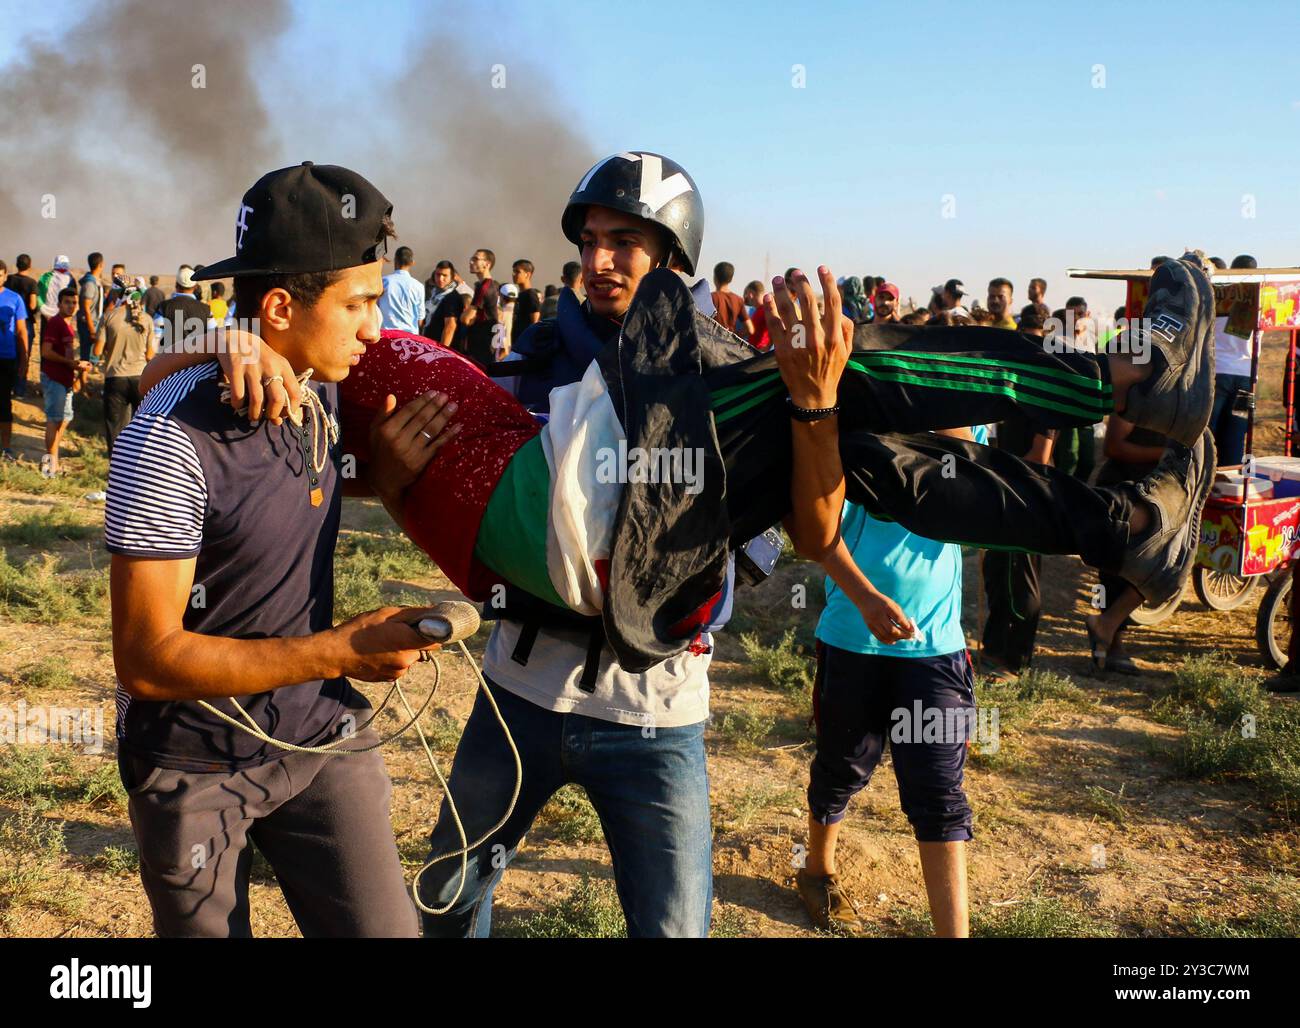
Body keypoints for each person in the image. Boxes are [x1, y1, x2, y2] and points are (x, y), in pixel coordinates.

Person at [108, 161, 459, 939]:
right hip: (195, 764)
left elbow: (279, 487)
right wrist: (339, 650)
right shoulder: (170, 441)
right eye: (360, 302)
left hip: (320, 736)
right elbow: (145, 658)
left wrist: (382, 478)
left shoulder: (316, 381)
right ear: (277, 306)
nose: (378, 326)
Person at [798, 419, 989, 936]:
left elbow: (973, 481)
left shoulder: (964, 427)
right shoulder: (844, 426)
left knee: (939, 792)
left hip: (936, 648)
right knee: (841, 766)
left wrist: (937, 403)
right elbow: (814, 530)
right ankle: (816, 870)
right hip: (848, 635)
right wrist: (864, 598)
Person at [94, 280, 156, 455]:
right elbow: (150, 355)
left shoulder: (109, 316)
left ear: (120, 295)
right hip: (140, 379)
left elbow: (97, 350)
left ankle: (116, 468)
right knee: (141, 428)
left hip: (115, 378)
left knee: (115, 428)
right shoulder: (147, 319)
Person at [1209, 254, 1257, 465]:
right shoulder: (1260, 301)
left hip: (1218, 375)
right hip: (1246, 379)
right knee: (1236, 433)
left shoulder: (1215, 299)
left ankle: (1206, 479)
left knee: (1209, 432)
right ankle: (1230, 482)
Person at [40, 287, 90, 477]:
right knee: (54, 421)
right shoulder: (56, 322)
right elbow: (46, 352)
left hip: (65, 378)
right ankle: (49, 467)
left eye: (74, 302)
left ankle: (55, 461)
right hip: (54, 378)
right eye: (67, 302)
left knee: (65, 418)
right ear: (59, 304)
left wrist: (77, 367)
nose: (71, 306)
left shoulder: (68, 324)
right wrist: (71, 363)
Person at [0, 264, 29, 459]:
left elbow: (21, 331)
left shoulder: (14, 298)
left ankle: (6, 448)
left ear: (5, 276)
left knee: (3, 404)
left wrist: (25, 359)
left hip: (6, 358)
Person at [155, 266, 212, 350]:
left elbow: (156, 334)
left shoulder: (163, 307)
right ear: (195, 287)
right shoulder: (206, 309)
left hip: (169, 358)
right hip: (196, 360)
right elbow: (213, 334)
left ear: (176, 284)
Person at [5, 254, 38, 396]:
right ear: (29, 265)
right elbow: (32, 305)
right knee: (24, 355)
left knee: (10, 354)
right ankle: (20, 389)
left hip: (9, 322)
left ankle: (8, 386)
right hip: (25, 323)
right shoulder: (31, 283)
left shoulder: (9, 279)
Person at [460, 248, 499, 366]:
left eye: (476, 259)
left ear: (487, 264)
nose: (471, 262)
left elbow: (465, 319)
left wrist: (465, 314)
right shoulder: (489, 285)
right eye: (472, 259)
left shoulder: (484, 287)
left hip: (483, 344)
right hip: (486, 342)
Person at [378, 245, 425, 334]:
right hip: (410, 337)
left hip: (387, 335)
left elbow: (375, 307)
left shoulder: (383, 281)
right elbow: (420, 319)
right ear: (412, 263)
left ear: (395, 260)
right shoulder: (419, 286)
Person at [420, 260, 465, 349]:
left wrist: (442, 351)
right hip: (429, 344)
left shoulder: (452, 297)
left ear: (452, 277)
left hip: (440, 349)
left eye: (445, 275)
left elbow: (450, 326)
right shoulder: (434, 293)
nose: (440, 278)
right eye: (438, 274)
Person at [78, 251, 107, 366]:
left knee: (91, 358)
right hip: (89, 324)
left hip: (94, 323)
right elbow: (86, 306)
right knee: (86, 358)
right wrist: (91, 329)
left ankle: (82, 382)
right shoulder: (90, 284)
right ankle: (80, 384)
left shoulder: (95, 281)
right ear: (101, 264)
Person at [711, 261, 750, 337]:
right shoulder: (738, 300)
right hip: (729, 346)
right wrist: (733, 337)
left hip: (713, 342)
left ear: (715, 277)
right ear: (731, 279)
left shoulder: (711, 297)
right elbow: (750, 329)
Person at [510, 259, 542, 348]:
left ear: (527, 274)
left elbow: (534, 322)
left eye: (517, 272)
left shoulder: (530, 295)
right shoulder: (520, 295)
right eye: (513, 271)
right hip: (516, 342)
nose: (513, 274)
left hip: (525, 345)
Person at [743, 279, 770, 349]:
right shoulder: (759, 310)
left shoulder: (766, 310)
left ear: (751, 294)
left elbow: (775, 328)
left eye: (747, 294)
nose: (747, 297)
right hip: (754, 351)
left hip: (759, 353)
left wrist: (767, 347)